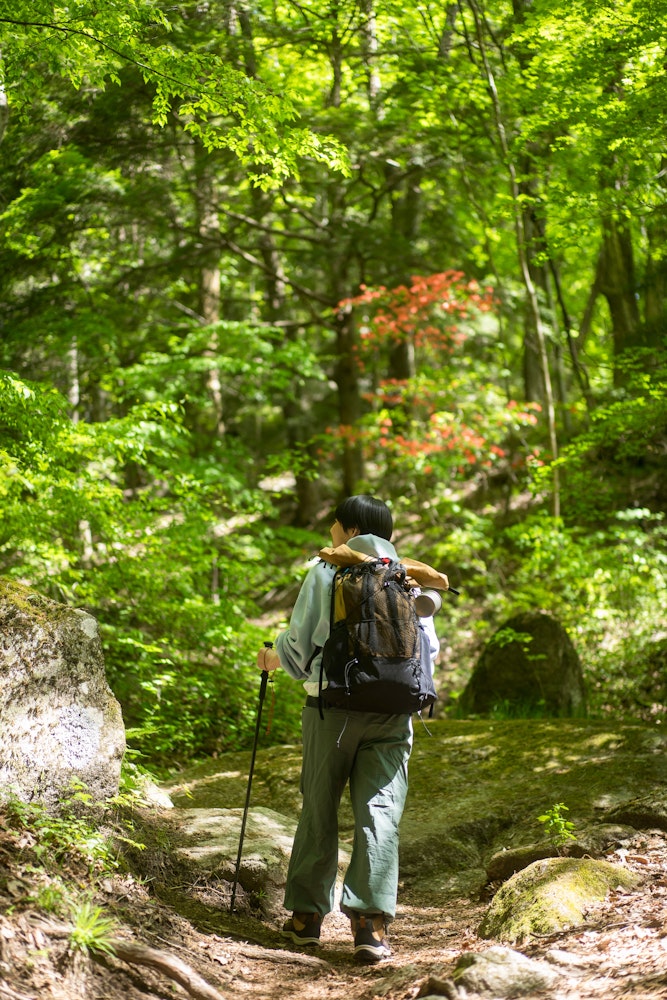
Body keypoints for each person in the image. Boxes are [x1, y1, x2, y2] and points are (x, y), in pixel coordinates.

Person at [257, 495, 446, 963]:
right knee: (380, 811)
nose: (330, 535)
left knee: (319, 806)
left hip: (333, 708)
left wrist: (275, 657)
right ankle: (370, 926)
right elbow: (430, 650)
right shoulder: (407, 575)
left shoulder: (328, 569)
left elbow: (302, 643)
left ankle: (306, 918)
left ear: (347, 529)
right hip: (394, 713)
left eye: (334, 527)